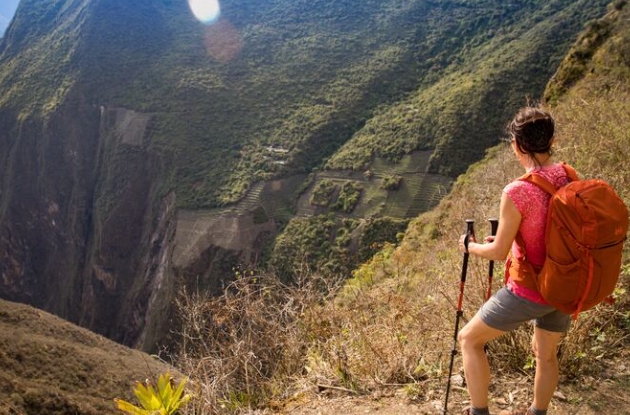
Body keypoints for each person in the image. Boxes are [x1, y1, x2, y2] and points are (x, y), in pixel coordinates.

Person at [457, 106, 572, 415]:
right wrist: (507, 240)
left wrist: (471, 247)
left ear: (516, 145)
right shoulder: (568, 175)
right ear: (553, 141)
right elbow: (550, 229)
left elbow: (496, 253)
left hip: (531, 289)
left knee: (468, 339)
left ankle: (479, 412)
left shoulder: (518, 191)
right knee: (545, 356)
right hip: (564, 286)